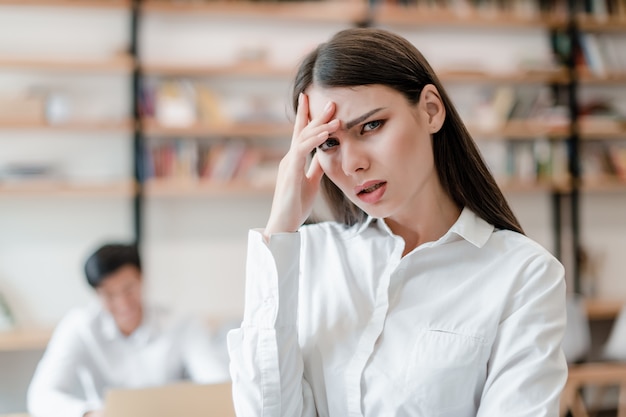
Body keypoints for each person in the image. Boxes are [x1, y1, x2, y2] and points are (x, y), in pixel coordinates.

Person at [227, 27, 567, 417]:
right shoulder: (306, 258)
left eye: (371, 126)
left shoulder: (524, 276)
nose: (352, 163)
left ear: (430, 110)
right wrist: (280, 230)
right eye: (328, 143)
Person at [27, 243, 230, 417]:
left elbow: (218, 385)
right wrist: (89, 413)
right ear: (96, 293)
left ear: (141, 279)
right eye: (109, 295)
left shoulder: (182, 324)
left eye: (128, 289)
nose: (123, 303)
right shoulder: (80, 327)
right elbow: (41, 396)